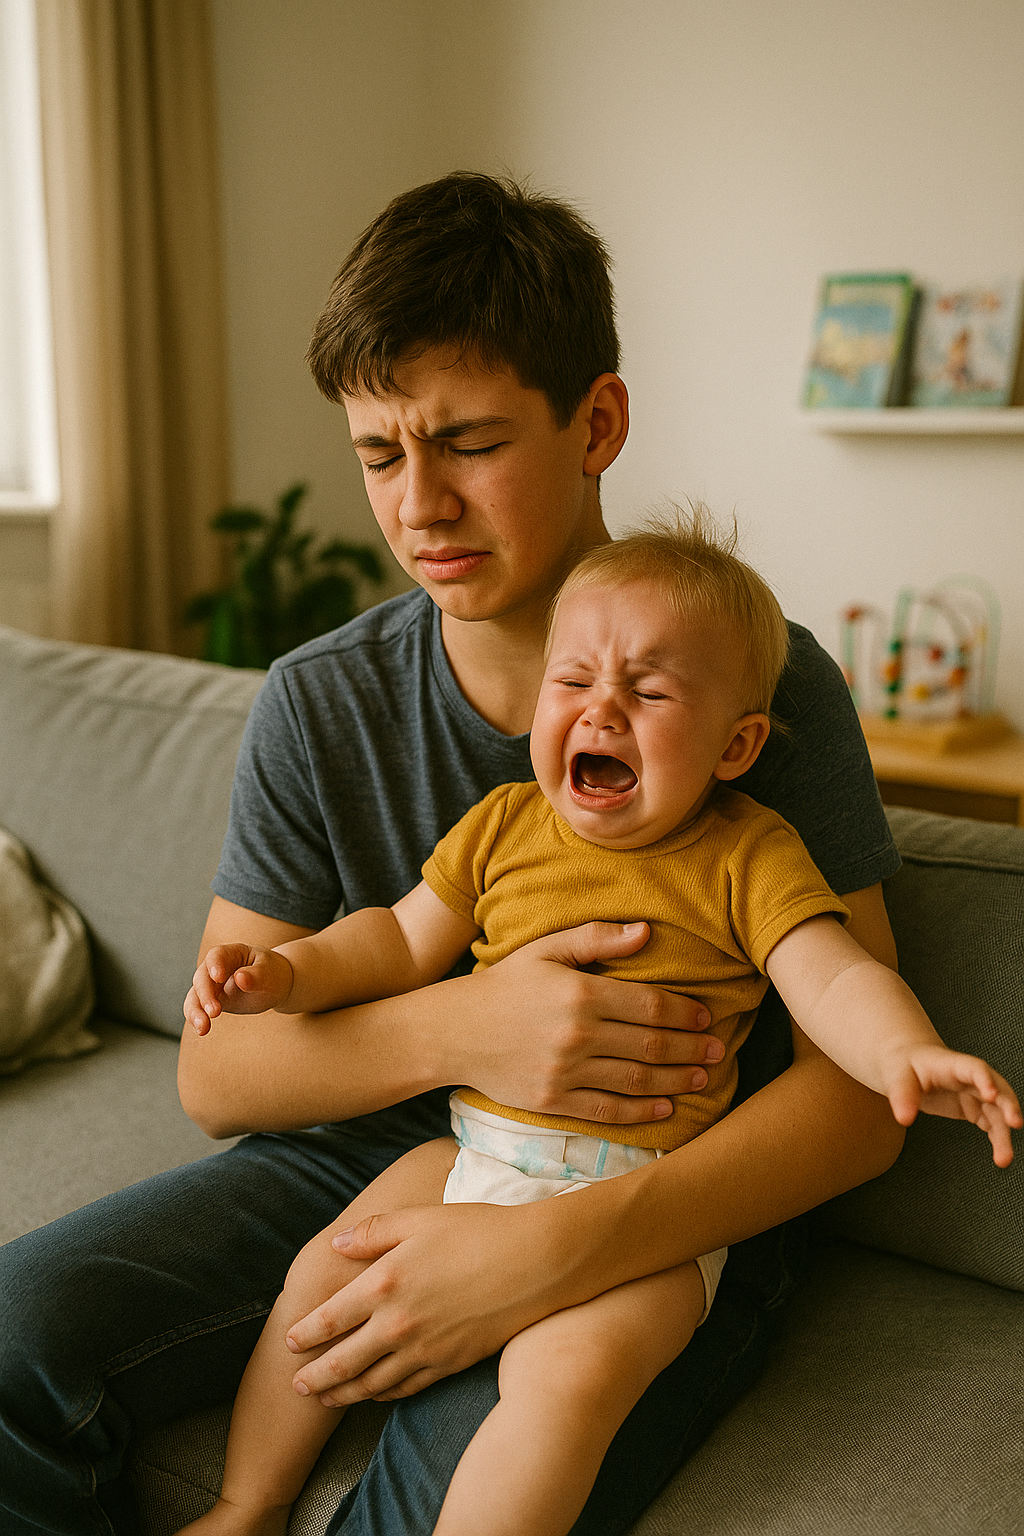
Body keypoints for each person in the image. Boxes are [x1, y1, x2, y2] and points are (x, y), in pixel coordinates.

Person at [1, 173, 917, 1536]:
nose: (418, 503)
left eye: (468, 442)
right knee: (16, 1329)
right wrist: (474, 1026)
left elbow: (857, 1101)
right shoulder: (323, 700)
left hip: (654, 1198)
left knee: (459, 1495)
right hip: (372, 1152)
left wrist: (548, 1251)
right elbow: (220, 1069)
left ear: (597, 420)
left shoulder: (760, 700)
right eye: (379, 454)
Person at [173, 517, 1019, 1536]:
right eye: (573, 683)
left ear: (735, 744)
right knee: (320, 1272)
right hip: (477, 1146)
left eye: (650, 692)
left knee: (565, 1384)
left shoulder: (750, 855)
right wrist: (282, 972)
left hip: (643, 1205)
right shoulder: (501, 825)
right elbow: (391, 942)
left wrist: (905, 1051)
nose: (601, 710)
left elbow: (833, 978)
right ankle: (245, 1505)